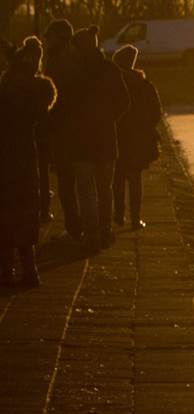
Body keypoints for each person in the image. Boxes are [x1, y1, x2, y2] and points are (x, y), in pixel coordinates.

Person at [60, 27, 125, 246]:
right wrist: (108, 118)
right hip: (106, 138)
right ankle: (105, 229)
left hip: (81, 141)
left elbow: (65, 107)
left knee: (86, 188)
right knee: (105, 188)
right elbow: (124, 102)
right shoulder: (110, 69)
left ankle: (92, 230)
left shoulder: (73, 73)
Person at [0, 38, 57, 288]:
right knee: (26, 210)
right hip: (26, 155)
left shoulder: (5, 87)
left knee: (5, 211)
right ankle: (30, 269)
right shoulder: (38, 90)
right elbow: (44, 112)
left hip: (4, 155)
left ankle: (6, 271)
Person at [110, 44, 161, 230]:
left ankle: (118, 215)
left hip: (118, 137)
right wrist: (146, 127)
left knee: (118, 177)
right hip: (138, 139)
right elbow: (156, 112)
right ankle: (135, 218)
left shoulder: (113, 84)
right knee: (135, 179)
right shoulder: (144, 84)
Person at [38, 20, 71, 234]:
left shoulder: (57, 61)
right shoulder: (67, 57)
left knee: (59, 174)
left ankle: (71, 223)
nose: (46, 43)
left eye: (49, 38)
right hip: (61, 126)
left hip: (56, 126)